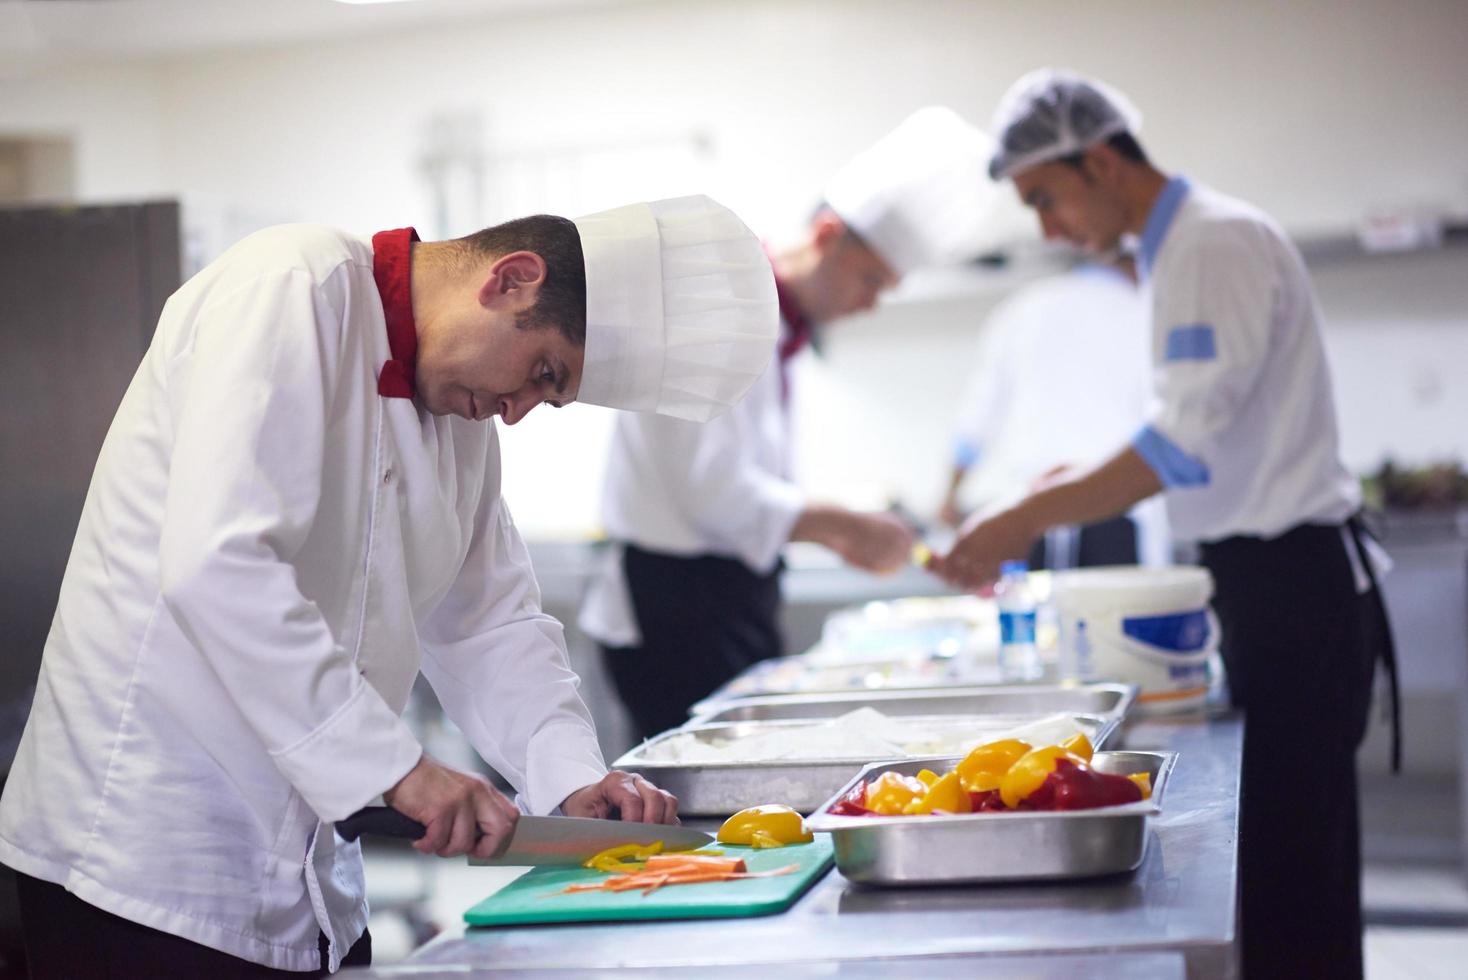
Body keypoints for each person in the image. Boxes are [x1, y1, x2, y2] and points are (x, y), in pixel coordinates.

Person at [0, 194, 778, 977]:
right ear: (511, 279)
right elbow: (217, 565)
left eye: (551, 396)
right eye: (543, 371)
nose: (517, 414)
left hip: (309, 887)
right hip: (139, 861)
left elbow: (490, 627)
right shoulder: (291, 286)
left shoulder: (465, 427)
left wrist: (574, 780)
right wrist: (400, 770)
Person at [931, 70, 1397, 979]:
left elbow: (1179, 445)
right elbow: (1201, 425)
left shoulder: (1210, 244)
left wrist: (1023, 514)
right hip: (1268, 579)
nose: (1046, 227)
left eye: (1045, 199)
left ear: (1100, 161)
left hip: (1296, 584)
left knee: (1298, 876)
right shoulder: (1175, 248)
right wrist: (1076, 476)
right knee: (1284, 866)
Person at [579, 107, 997, 740]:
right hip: (674, 611)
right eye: (872, 280)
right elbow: (711, 492)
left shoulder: (774, 326)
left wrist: (844, 523)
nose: (871, 304)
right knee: (706, 830)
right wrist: (839, 526)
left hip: (725, 599)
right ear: (828, 236)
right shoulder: (718, 308)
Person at [937, 255, 1170, 569]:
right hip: (1116, 510)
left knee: (1039, 614)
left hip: (1033, 514)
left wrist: (949, 498)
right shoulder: (1145, 311)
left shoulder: (1022, 308)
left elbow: (976, 422)